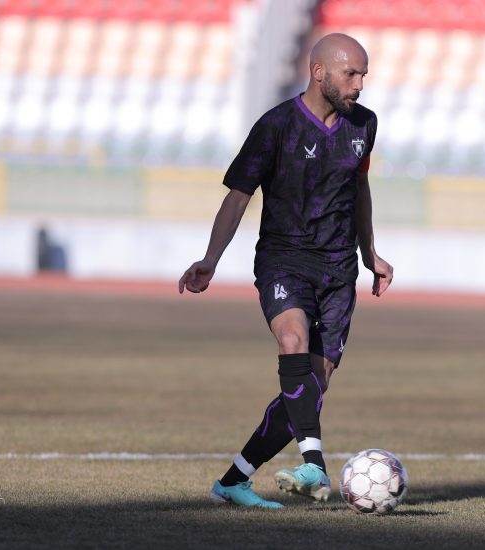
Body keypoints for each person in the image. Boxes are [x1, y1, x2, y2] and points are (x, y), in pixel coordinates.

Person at [179, 33, 393, 509]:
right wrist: (210, 260)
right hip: (285, 258)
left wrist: (369, 253)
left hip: (339, 268)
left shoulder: (365, 125)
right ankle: (314, 463)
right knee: (292, 341)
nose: (359, 85)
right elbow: (238, 197)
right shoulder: (276, 126)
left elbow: (359, 190)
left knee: (310, 388)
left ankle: (233, 481)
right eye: (350, 74)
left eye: (363, 75)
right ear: (319, 72)